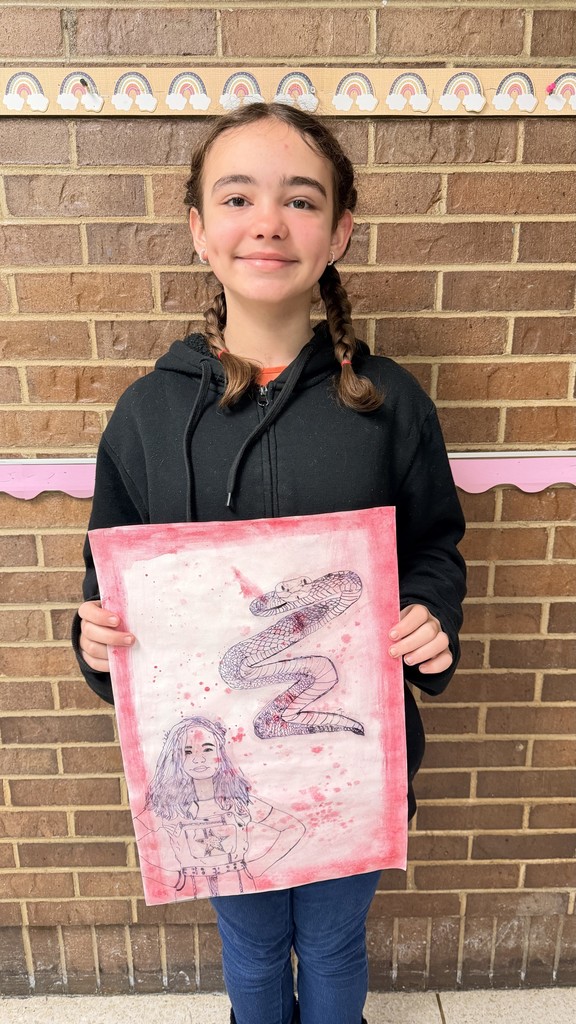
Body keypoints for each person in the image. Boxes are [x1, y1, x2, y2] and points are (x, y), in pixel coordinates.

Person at [73, 102, 466, 1024]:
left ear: (339, 233)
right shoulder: (146, 414)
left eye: (300, 199)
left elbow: (435, 546)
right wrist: (95, 639)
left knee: (331, 940)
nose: (269, 221)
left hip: (349, 753)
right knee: (250, 944)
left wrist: (429, 614)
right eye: (238, 196)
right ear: (199, 230)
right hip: (213, 770)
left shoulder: (389, 402)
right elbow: (107, 582)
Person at [133, 715, 305, 900]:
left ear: (220, 753)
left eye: (207, 749)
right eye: (188, 751)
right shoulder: (168, 808)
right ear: (175, 758)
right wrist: (172, 878)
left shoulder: (238, 802)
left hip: (242, 886)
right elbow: (140, 836)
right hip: (193, 888)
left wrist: (257, 867)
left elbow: (292, 827)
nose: (199, 759)